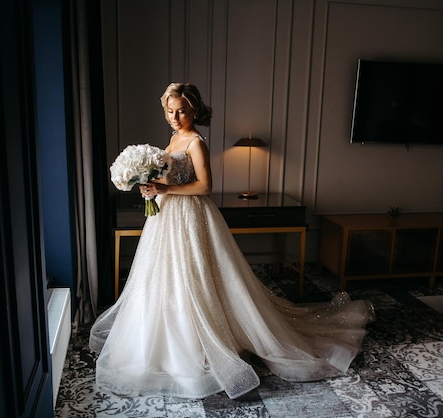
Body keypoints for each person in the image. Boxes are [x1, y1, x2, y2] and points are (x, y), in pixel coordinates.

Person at [89, 82, 375, 400]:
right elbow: (169, 177)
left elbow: (205, 186)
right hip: (166, 217)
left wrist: (165, 190)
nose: (175, 116)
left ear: (194, 109)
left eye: (181, 110)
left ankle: (209, 336)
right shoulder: (173, 138)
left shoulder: (196, 141)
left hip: (191, 215)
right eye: (170, 111)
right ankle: (166, 337)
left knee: (196, 273)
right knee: (163, 276)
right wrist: (151, 185)